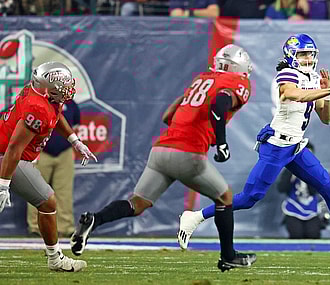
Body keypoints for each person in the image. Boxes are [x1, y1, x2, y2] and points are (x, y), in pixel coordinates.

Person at [178, 33, 330, 255]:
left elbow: (326, 118)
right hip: (277, 145)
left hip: (296, 146)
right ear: (291, 55)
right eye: (303, 54)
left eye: (310, 54)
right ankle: (196, 217)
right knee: (249, 198)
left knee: (328, 188)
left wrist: (326, 92)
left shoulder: (314, 78)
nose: (307, 58)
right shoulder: (287, 73)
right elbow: (293, 94)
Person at [70, 44, 257, 272]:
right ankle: (228, 256)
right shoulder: (236, 83)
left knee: (136, 203)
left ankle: (94, 220)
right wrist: (222, 142)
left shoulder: (202, 79)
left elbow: (169, 115)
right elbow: (218, 105)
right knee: (225, 197)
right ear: (240, 68)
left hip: (160, 151)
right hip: (188, 154)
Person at [0, 61, 97, 272]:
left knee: (48, 203)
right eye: (63, 87)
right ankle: (55, 259)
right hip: (8, 156)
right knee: (48, 201)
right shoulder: (37, 107)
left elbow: (56, 115)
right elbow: (14, 148)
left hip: (12, 154)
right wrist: (3, 184)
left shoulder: (45, 96)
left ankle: (54, 258)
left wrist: (74, 141)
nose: (68, 90)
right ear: (48, 87)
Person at [27, 99, 81, 238]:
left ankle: (66, 227)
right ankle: (35, 227)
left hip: (65, 152)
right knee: (35, 190)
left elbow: (75, 126)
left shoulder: (71, 104)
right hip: (40, 151)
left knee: (64, 191)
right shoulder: (38, 102)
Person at [276, 141, 330, 239]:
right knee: (296, 234)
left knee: (313, 234)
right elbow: (281, 188)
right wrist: (291, 175)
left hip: (311, 209)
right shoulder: (289, 169)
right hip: (293, 208)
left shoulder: (316, 171)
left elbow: (315, 191)